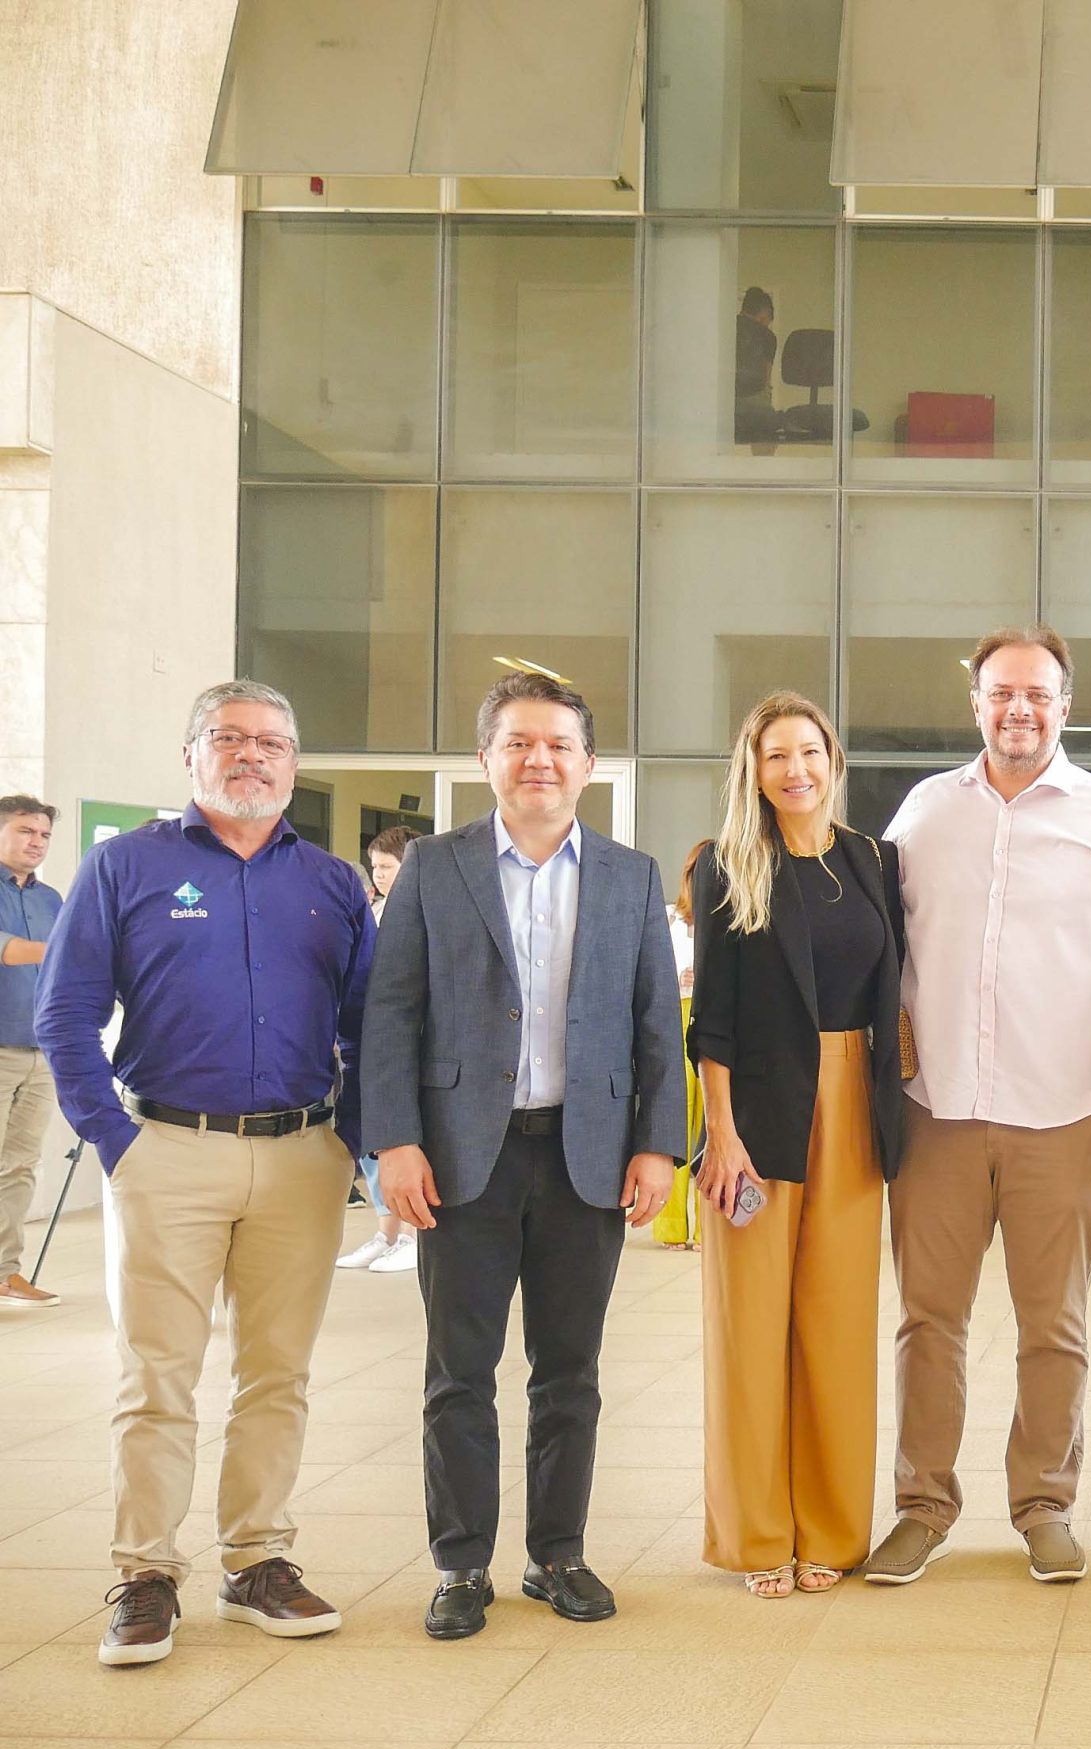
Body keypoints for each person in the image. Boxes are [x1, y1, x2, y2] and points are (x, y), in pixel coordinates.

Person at [36, 681, 372, 1666]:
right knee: (157, 1376)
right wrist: (115, 1140)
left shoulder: (332, 883)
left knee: (278, 1373)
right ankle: (145, 1573)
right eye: (229, 738)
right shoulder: (125, 866)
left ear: (294, 764)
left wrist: (352, 1139)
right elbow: (65, 1013)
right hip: (166, 1153)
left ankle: (257, 1561)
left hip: (304, 1156)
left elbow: (371, 1023)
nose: (252, 756)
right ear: (192, 754)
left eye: (272, 742)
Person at [363, 672, 685, 1642]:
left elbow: (655, 1024)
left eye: (557, 745)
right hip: (464, 1158)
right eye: (518, 743)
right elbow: (392, 1010)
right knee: (458, 1372)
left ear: (588, 765)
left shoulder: (629, 875)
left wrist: (658, 1146)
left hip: (587, 1157)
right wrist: (394, 1141)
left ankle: (558, 1555)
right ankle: (461, 1564)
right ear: (486, 759)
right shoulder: (435, 867)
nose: (538, 760)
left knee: (569, 1371)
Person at [865, 626, 1091, 1586]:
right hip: (937, 1110)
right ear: (976, 703)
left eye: (1038, 694)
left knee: (1054, 1327)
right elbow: (884, 950)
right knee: (928, 1321)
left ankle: (1045, 1505)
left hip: (1065, 1110)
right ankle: (922, 1506)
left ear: (1065, 706)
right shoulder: (924, 811)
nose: (1019, 710)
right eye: (1002, 692)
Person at [690, 698, 906, 1596]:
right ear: (753, 769)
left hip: (854, 1101)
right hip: (757, 1109)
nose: (795, 770)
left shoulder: (874, 861)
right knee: (750, 1329)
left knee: (837, 1325)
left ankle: (833, 1529)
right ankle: (756, 1536)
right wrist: (721, 1134)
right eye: (775, 755)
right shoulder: (728, 864)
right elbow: (713, 1018)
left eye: (808, 751)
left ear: (833, 759)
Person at [340, 825, 422, 1274]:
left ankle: (412, 1234)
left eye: (387, 867)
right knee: (373, 1144)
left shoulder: (426, 910)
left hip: (408, 1042)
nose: (380, 875)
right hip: (368, 1039)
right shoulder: (372, 909)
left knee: (405, 1139)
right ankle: (386, 1232)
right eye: (375, 867)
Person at [0, 795, 65, 1310]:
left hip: (41, 1050)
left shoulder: (51, 900)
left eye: (43, 834)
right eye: (25, 831)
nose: (36, 842)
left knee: (20, 1166)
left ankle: (5, 1272)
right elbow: (11, 950)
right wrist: (79, 947)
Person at [655, 836, 713, 1252]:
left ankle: (708, 1226)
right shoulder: (668, 919)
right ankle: (672, 1225)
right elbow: (649, 975)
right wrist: (681, 979)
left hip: (712, 1020)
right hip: (674, 1018)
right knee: (676, 1123)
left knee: (710, 1126)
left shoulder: (730, 919)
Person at [735, 287, 780, 445]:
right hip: (753, 406)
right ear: (764, 315)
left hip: (722, 404)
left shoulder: (724, 327)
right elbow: (765, 383)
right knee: (769, 424)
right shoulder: (768, 337)